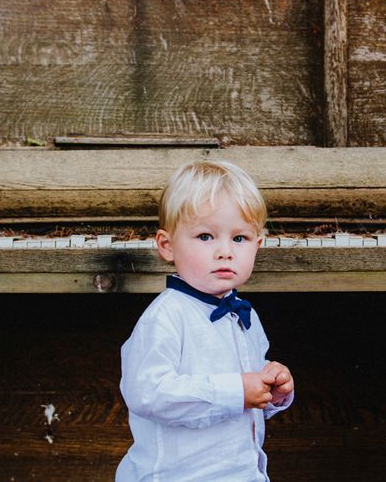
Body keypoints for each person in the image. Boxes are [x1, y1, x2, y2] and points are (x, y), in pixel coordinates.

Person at [116, 160, 294, 481]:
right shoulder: (166, 316)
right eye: (205, 236)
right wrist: (236, 391)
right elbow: (147, 392)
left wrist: (272, 390)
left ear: (258, 245)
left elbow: (248, 385)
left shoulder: (245, 313)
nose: (224, 251)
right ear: (167, 246)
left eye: (239, 238)